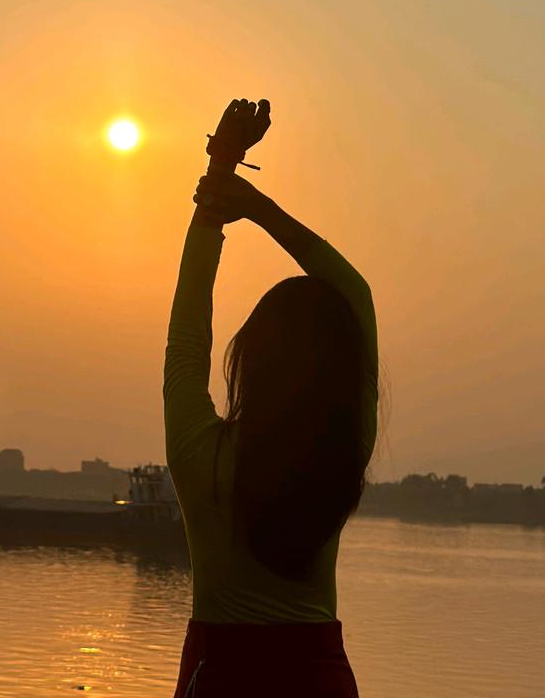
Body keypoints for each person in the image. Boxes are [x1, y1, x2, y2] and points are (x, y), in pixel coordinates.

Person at [165, 97, 378, 697]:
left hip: (221, 679)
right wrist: (259, 209)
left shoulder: (198, 454)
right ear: (339, 370)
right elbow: (354, 293)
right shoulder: (342, 451)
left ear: (247, 362)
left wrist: (219, 183)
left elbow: (186, 340)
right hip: (319, 680)